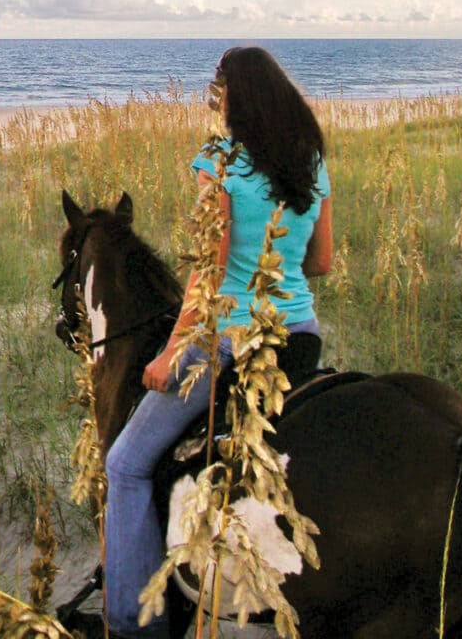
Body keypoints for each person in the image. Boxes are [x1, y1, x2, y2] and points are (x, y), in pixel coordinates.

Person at [102, 46, 334, 637]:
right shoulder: (309, 158)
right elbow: (323, 261)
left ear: (235, 98)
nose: (218, 101)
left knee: (125, 463)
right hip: (301, 340)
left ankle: (133, 623)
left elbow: (208, 270)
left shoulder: (217, 160)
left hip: (231, 341)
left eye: (221, 91)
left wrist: (168, 355)